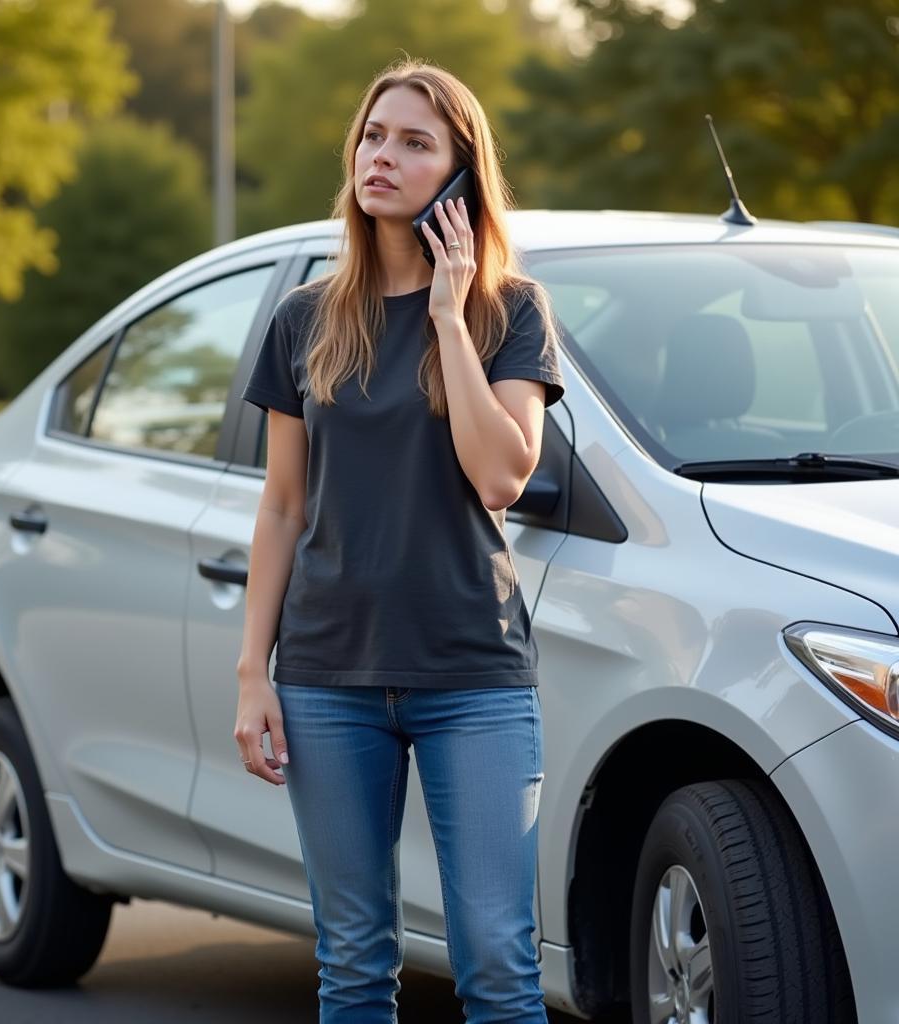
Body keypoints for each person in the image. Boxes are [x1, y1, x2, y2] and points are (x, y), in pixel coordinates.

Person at [234, 56, 565, 1024]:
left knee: (498, 967)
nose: (383, 155)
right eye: (373, 136)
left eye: (415, 142)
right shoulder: (304, 321)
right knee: (351, 966)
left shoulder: (509, 312)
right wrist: (254, 671)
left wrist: (449, 318)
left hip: (472, 674)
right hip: (327, 678)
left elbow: (501, 476)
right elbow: (283, 507)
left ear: (460, 177)